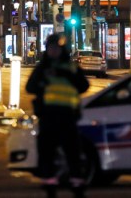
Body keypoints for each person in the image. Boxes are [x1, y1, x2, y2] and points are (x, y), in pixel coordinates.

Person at [25, 34, 90, 198]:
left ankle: (77, 186)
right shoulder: (43, 68)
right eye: (51, 48)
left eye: (56, 48)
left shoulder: (70, 67)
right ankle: (50, 186)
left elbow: (83, 85)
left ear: (62, 50)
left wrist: (64, 75)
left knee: (73, 153)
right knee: (47, 154)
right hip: (48, 117)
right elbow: (30, 87)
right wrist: (43, 83)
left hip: (68, 117)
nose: (53, 51)